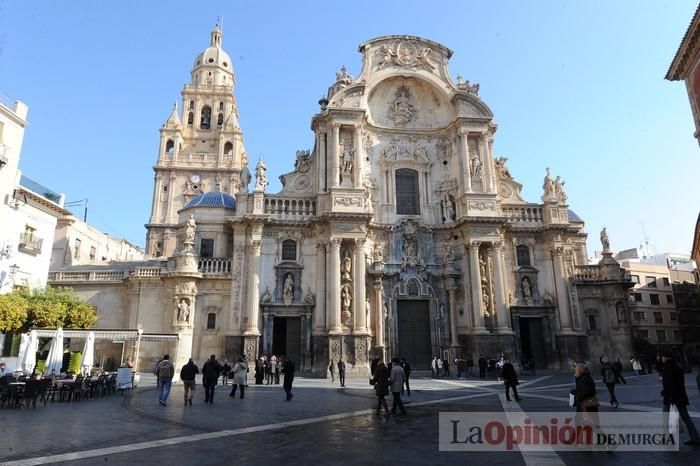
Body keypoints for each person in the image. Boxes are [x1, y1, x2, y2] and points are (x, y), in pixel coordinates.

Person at [660, 352, 700, 445]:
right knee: (686, 418)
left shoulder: (667, 368)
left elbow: (670, 385)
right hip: (680, 397)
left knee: (666, 418)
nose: (661, 358)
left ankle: (668, 438)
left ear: (666, 358)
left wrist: (665, 394)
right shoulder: (677, 367)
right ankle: (695, 437)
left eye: (662, 356)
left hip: (671, 398)